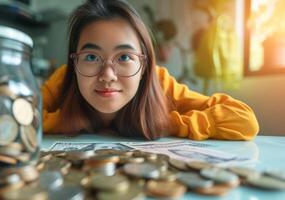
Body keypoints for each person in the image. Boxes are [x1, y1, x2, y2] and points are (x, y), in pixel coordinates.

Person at [41, 0, 259, 140]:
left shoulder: (159, 81)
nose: (107, 75)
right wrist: (70, 121)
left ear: (144, 65)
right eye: (91, 57)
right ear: (74, 63)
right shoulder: (64, 78)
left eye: (124, 57)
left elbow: (244, 119)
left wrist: (168, 123)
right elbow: (14, 115)